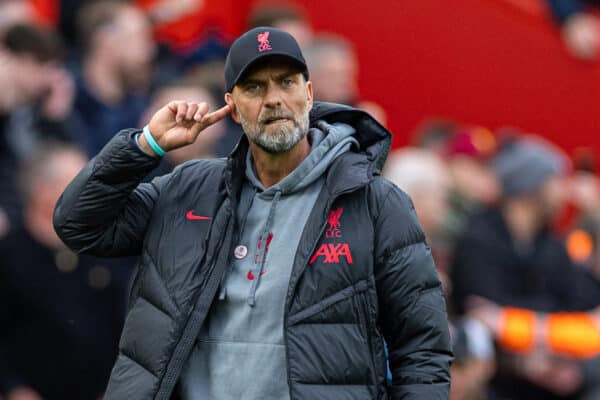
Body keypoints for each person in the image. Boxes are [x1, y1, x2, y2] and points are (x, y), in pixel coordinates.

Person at [54, 27, 452, 399]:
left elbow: (423, 350)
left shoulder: (376, 202)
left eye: (286, 82)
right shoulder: (188, 188)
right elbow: (79, 225)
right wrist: (145, 146)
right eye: (254, 86)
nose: (273, 98)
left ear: (309, 94)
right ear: (232, 105)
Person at [451, 136, 600, 399]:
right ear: (530, 187)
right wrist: (530, 351)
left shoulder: (553, 245)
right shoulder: (478, 240)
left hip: (562, 369)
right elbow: (478, 316)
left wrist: (515, 323)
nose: (564, 192)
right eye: (556, 181)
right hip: (497, 378)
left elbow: (585, 307)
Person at [0, 144, 125, 400]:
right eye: (84, 182)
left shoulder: (99, 251)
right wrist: (13, 388)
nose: (95, 191)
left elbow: (117, 327)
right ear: (45, 193)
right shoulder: (9, 256)